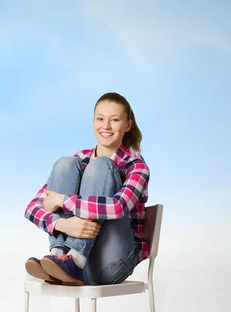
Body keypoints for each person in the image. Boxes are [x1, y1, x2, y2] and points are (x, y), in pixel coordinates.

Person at [24, 92, 150, 286]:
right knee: (65, 163)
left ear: (127, 125)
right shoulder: (79, 159)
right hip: (69, 267)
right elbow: (32, 208)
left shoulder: (136, 166)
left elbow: (118, 207)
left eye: (114, 120)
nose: (106, 126)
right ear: (93, 122)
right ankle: (59, 255)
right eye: (100, 119)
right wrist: (62, 224)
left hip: (112, 263)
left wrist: (64, 200)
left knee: (101, 165)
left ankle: (75, 258)